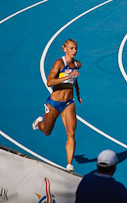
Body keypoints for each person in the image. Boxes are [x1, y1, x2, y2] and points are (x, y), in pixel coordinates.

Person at [32, 39, 82, 172]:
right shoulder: (59, 63)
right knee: (47, 131)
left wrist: (78, 93)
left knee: (71, 133)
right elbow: (49, 82)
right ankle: (39, 124)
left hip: (69, 103)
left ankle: (69, 165)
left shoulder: (77, 64)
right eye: (71, 48)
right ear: (65, 49)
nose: (74, 51)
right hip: (54, 103)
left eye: (76, 48)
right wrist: (66, 76)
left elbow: (74, 80)